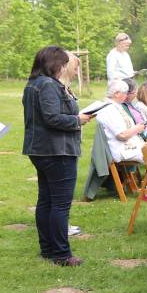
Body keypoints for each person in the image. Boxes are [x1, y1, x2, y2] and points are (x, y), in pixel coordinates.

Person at [23, 46, 94, 266]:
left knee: (46, 201)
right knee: (60, 204)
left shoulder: (35, 84)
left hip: (42, 149)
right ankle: (62, 254)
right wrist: (77, 120)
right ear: (56, 64)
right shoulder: (47, 85)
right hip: (56, 150)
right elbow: (52, 118)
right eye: (64, 63)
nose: (67, 67)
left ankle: (48, 249)